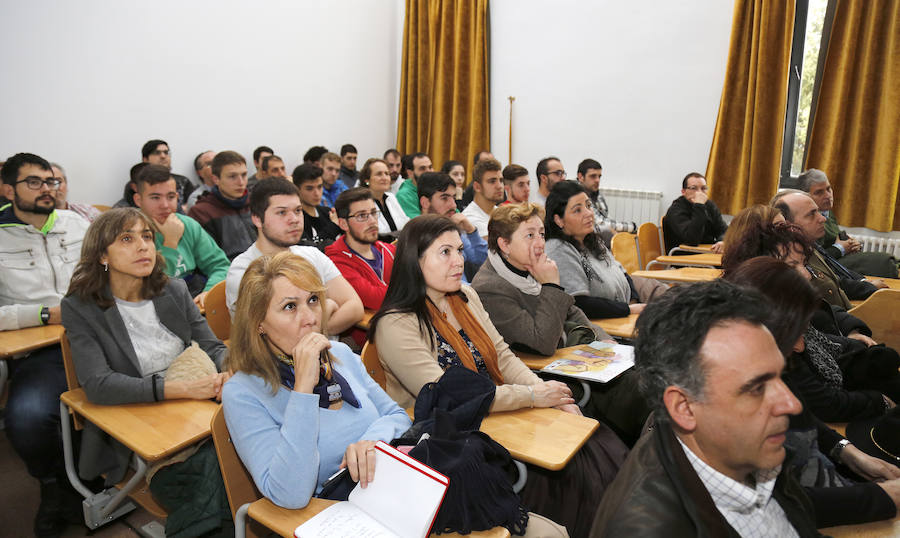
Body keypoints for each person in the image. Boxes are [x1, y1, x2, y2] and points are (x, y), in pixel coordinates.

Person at [370, 214, 627, 538]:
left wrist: (550, 395)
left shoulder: (465, 297)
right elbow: (447, 395)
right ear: (414, 261)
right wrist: (533, 397)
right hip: (452, 433)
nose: (458, 261)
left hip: (495, 411)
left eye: (460, 251)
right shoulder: (396, 323)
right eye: (445, 252)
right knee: (573, 471)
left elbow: (503, 357)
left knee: (592, 442)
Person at [590, 280, 819, 537]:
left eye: (781, 375)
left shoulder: (744, 448)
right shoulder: (648, 529)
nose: (792, 404)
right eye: (756, 389)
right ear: (684, 408)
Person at [61, 207, 232, 537]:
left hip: (197, 411)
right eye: (127, 238)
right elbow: (98, 384)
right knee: (223, 472)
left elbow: (212, 347)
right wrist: (182, 389)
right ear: (101, 255)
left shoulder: (174, 290)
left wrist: (229, 371)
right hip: (138, 421)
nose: (143, 247)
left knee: (224, 471)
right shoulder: (80, 307)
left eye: (147, 237)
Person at [222, 252, 411, 509]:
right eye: (290, 307)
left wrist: (372, 442)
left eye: (313, 300)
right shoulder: (242, 392)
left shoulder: (340, 354)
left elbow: (397, 415)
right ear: (259, 323)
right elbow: (289, 494)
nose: (310, 317)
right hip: (333, 515)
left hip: (389, 490)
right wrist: (303, 389)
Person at [723, 257, 900, 528]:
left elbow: (804, 418)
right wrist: (883, 496)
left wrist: (849, 453)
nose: (801, 345)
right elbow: (774, 505)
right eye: (795, 331)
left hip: (825, 486)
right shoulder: (729, 404)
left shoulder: (762, 367)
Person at [1, 152, 90, 536]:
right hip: (42, 350)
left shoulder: (76, 224)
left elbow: (109, 274)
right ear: (8, 189)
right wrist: (44, 315)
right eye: (33, 182)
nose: (46, 189)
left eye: (50, 181)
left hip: (94, 336)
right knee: (28, 418)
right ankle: (54, 485)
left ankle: (97, 476)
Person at [225, 178, 363, 333]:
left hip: (328, 351)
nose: (295, 220)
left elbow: (355, 307)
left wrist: (315, 331)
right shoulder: (243, 271)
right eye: (282, 212)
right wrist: (328, 307)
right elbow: (274, 336)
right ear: (257, 219)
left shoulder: (311, 255)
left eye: (298, 210)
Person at [471, 203, 609, 356]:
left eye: (542, 234)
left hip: (567, 354)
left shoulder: (528, 267)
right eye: (530, 235)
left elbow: (572, 312)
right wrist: (551, 285)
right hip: (538, 371)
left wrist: (603, 341)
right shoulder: (489, 289)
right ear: (505, 244)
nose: (540, 244)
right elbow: (542, 344)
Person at [544, 181, 660, 319]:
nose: (588, 213)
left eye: (588, 206)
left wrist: (633, 301)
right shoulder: (559, 249)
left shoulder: (591, 239)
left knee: (668, 297)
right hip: (602, 323)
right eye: (577, 210)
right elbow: (579, 304)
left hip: (624, 308)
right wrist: (627, 309)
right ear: (559, 220)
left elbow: (622, 273)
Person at [132, 164, 230, 308]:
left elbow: (220, 265)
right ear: (138, 200)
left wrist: (209, 292)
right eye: (155, 197)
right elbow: (152, 287)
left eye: (171, 197)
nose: (165, 205)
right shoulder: (129, 232)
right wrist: (170, 243)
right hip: (154, 302)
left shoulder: (187, 224)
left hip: (194, 292)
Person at [772, 190, 883, 307]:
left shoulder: (812, 247)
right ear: (789, 225)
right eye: (811, 214)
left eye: (818, 212)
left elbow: (836, 278)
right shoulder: (792, 258)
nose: (823, 219)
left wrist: (865, 282)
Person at [797, 169, 898, 278]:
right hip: (828, 266)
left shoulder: (827, 212)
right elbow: (815, 259)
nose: (827, 195)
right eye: (819, 192)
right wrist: (840, 248)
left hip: (840, 258)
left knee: (887, 260)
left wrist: (852, 243)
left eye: (828, 189)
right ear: (805, 196)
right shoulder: (806, 221)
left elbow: (837, 237)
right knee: (884, 262)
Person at [326, 188, 395, 312]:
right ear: (343, 224)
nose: (373, 221)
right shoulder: (336, 262)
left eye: (374, 213)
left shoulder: (388, 250)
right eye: (362, 216)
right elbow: (376, 299)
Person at [188, 150, 258, 260]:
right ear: (216, 179)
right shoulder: (201, 213)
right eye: (232, 176)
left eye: (244, 175)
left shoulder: (257, 203)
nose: (241, 182)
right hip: (230, 271)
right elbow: (208, 260)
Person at [417, 171, 488, 278]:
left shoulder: (451, 231)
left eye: (453, 198)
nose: (453, 205)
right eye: (444, 198)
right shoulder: (416, 237)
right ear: (425, 203)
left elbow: (482, 259)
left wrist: (471, 231)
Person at [662, 172, 728, 254]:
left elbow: (724, 230)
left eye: (703, 188)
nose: (699, 192)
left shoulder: (709, 205)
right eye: (694, 188)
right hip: (684, 254)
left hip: (706, 251)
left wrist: (723, 242)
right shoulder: (676, 210)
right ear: (683, 192)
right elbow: (692, 240)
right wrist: (699, 206)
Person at [575, 159, 636, 245]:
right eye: (593, 176)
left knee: (629, 238)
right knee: (613, 234)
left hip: (599, 234)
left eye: (599, 176)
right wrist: (632, 226)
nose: (597, 180)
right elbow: (600, 222)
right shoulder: (576, 194)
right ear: (581, 177)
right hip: (585, 237)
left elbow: (607, 219)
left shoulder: (597, 194)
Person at [291, 163, 342, 248]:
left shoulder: (328, 212)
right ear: (297, 189)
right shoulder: (295, 219)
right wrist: (334, 226)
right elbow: (310, 248)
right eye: (309, 188)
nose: (317, 193)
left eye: (319, 187)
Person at [358, 157, 408, 236]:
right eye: (379, 174)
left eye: (387, 174)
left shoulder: (391, 197)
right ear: (367, 180)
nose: (385, 178)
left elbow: (406, 224)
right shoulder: (361, 203)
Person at [141, 139, 195, 204]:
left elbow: (193, 204)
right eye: (157, 153)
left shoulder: (183, 181)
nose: (163, 156)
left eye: (166, 152)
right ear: (145, 159)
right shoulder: (138, 183)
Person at [461, 157, 504, 238]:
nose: (499, 186)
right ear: (477, 187)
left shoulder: (499, 212)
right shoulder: (470, 218)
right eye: (492, 181)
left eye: (501, 180)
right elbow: (498, 248)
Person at [396, 152, 433, 218]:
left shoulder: (436, 187)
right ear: (410, 173)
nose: (429, 172)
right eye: (422, 168)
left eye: (430, 167)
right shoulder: (404, 195)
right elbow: (418, 224)